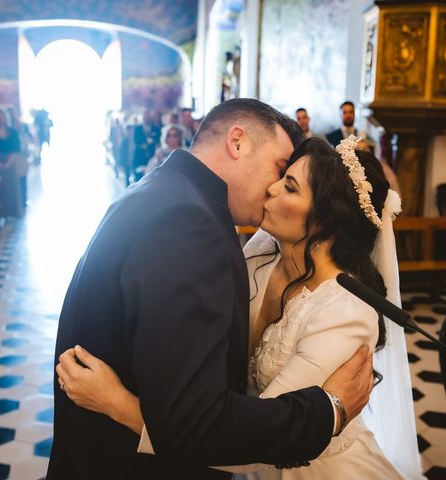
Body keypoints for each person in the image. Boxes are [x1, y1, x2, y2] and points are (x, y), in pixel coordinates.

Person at [57, 136, 424, 479]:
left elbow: (260, 440)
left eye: (290, 186)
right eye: (282, 177)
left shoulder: (344, 313)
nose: (272, 187)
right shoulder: (262, 254)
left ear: (328, 222)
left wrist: (119, 403)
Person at [0, 109, 23, 218]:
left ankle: (12, 213)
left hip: (11, 161)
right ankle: (1, 213)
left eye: (3, 116)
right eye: (0, 117)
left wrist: (8, 163)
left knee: (12, 188)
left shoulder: (13, 131)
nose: (2, 119)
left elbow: (16, 148)